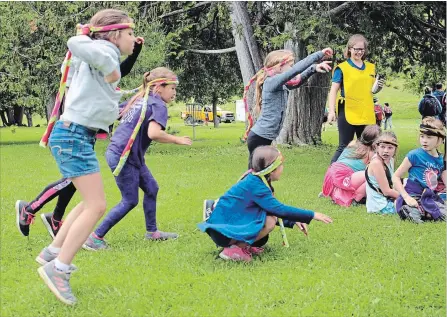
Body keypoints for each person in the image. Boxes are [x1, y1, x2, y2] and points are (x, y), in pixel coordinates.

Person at [34, 9, 137, 305]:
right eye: (130, 34)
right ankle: (59, 269)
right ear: (115, 34)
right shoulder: (104, 50)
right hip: (74, 136)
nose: (133, 39)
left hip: (76, 136)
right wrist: (84, 35)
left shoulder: (99, 53)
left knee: (88, 202)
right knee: (97, 205)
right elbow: (76, 43)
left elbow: (102, 84)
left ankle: (52, 252)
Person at [15, 37, 145, 239]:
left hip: (83, 133)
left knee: (76, 181)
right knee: (76, 182)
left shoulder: (92, 65)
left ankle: (54, 219)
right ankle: (31, 209)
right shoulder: (85, 64)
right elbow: (111, 70)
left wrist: (134, 52)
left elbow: (116, 74)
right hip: (72, 131)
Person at [83, 68, 192, 250]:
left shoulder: (140, 100)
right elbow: (154, 133)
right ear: (158, 87)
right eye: (172, 88)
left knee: (151, 188)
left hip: (127, 155)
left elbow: (116, 112)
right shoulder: (157, 105)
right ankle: (94, 237)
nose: (174, 92)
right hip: (123, 156)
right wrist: (177, 139)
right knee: (130, 200)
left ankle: (152, 232)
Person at [198, 146, 332, 262]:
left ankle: (243, 246)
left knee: (268, 221)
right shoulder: (256, 185)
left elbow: (270, 208)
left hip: (225, 228)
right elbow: (278, 210)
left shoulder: (255, 178)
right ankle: (235, 250)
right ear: (272, 170)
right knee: (270, 222)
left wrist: (293, 221)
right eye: (281, 166)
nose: (283, 169)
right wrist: (312, 214)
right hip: (223, 231)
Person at [243, 48, 333, 167]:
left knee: (260, 173)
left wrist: (313, 68)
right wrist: (319, 54)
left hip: (263, 138)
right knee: (258, 173)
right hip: (259, 138)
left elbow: (297, 81)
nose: (291, 68)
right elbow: (296, 71)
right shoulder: (271, 82)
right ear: (279, 68)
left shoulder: (281, 84)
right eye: (290, 66)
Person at [327, 34, 385, 163]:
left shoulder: (371, 67)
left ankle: (369, 175)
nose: (359, 52)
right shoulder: (342, 68)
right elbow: (333, 90)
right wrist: (331, 111)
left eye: (362, 49)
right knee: (344, 145)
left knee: (369, 145)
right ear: (349, 49)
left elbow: (370, 89)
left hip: (366, 111)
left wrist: (378, 88)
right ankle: (332, 175)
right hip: (348, 111)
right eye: (356, 49)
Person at [392, 117, 446, 223]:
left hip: (429, 196)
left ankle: (425, 212)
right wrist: (407, 197)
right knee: (414, 210)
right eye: (422, 136)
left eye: (429, 137)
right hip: (413, 194)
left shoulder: (440, 159)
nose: (424, 140)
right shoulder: (414, 155)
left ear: (439, 140)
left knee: (442, 213)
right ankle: (409, 210)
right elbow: (395, 176)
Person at [321, 125, 381, 207]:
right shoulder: (371, 154)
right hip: (343, 175)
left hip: (331, 173)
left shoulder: (353, 143)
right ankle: (356, 199)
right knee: (372, 175)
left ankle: (336, 192)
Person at [365, 132, 400, 214]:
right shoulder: (376, 163)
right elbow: (386, 191)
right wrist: (406, 197)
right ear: (377, 147)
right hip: (381, 206)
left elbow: (393, 182)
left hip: (388, 199)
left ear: (395, 149)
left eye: (390, 148)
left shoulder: (391, 160)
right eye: (382, 147)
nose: (386, 151)